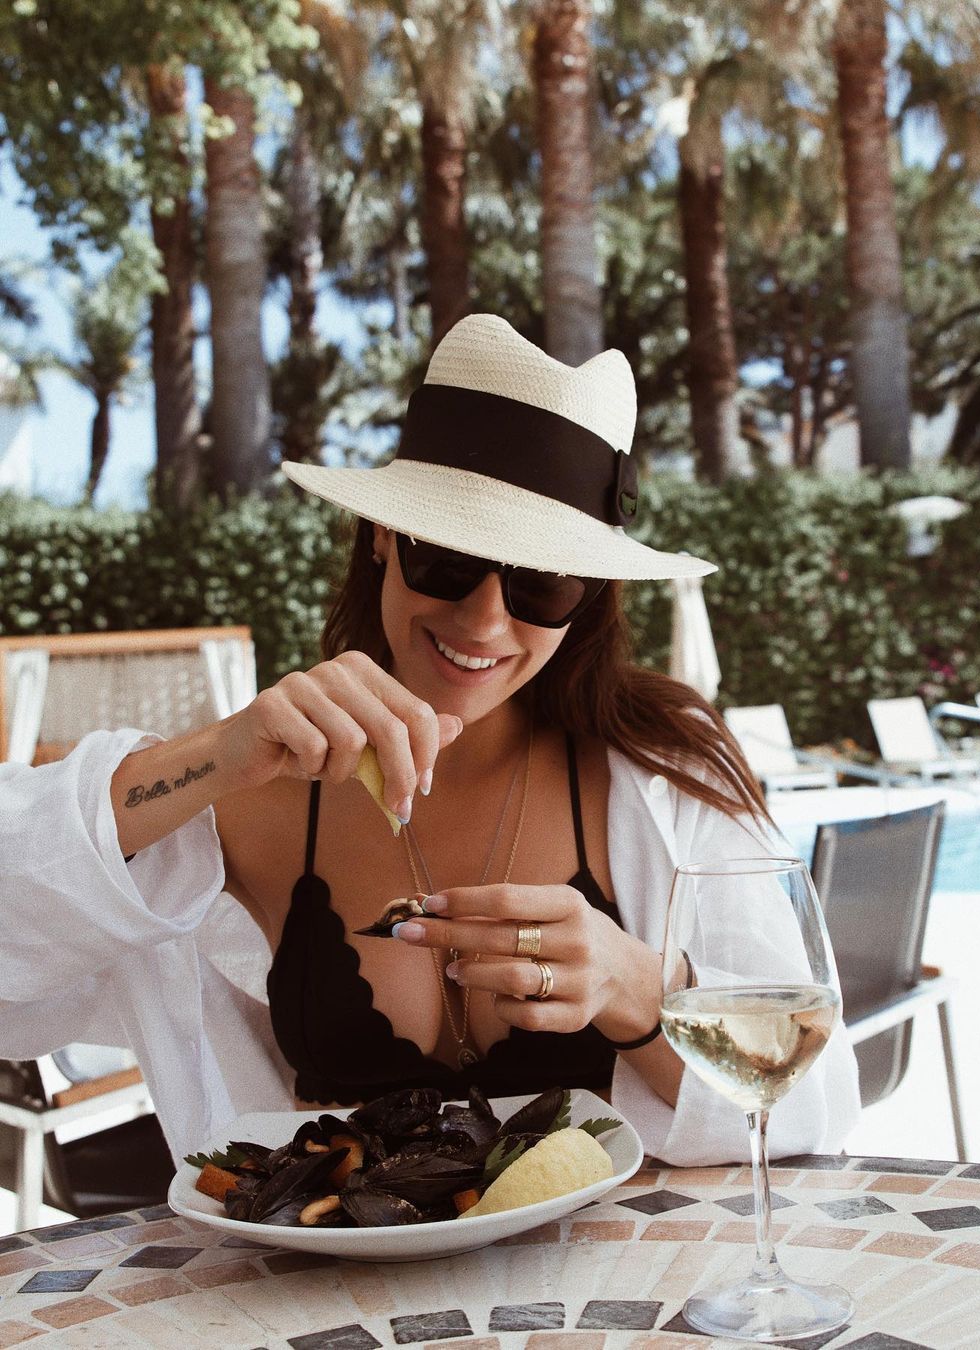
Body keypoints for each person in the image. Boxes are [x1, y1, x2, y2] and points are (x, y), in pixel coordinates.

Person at [1, 315, 859, 1166]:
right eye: (447, 556)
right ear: (383, 537)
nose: (485, 618)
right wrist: (217, 757)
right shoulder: (254, 791)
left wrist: (639, 989)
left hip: (621, 1289)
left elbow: (807, 1102)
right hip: (328, 1296)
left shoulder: (663, 765)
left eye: (542, 583)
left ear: (591, 593)